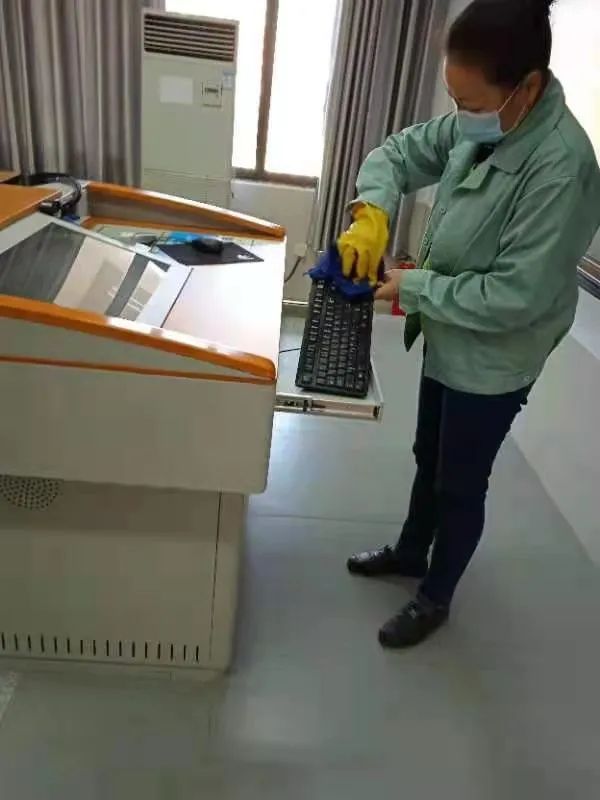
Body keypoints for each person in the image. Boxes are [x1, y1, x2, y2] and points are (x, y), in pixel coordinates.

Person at [338, 0, 600, 649]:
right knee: (428, 455)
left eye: (471, 102)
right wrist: (373, 212)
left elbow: (515, 295)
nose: (461, 115)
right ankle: (411, 552)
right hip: (449, 329)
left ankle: (435, 597)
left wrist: (412, 286)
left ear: (527, 87)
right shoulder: (487, 120)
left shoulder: (561, 168)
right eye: (454, 99)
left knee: (459, 481)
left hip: (496, 356)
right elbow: (400, 152)